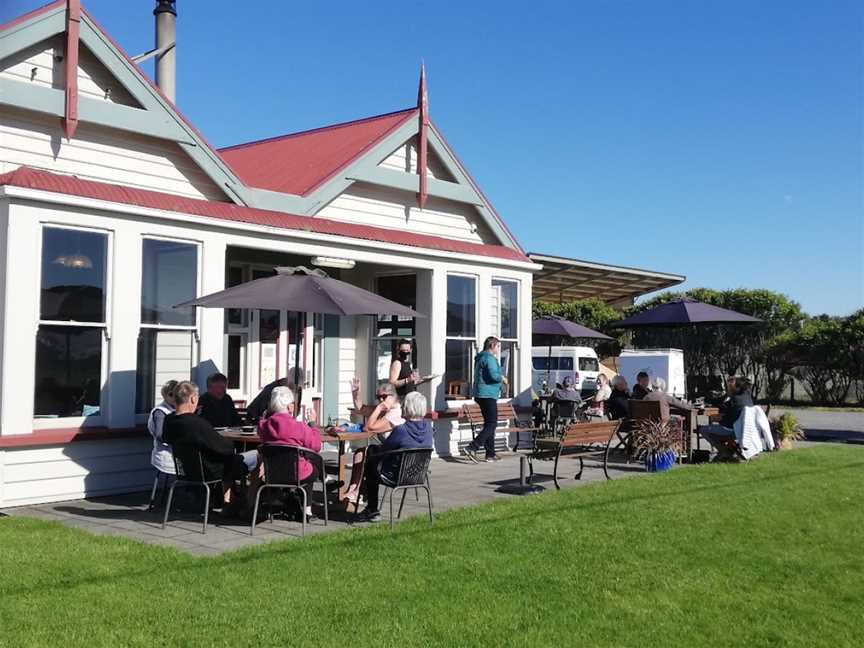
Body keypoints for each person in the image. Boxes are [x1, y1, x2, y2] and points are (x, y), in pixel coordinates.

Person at [163, 381, 257, 511]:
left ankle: (229, 501)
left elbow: (166, 439)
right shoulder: (197, 424)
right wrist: (231, 445)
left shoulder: (169, 421)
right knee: (258, 455)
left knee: (227, 459)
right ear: (193, 398)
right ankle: (251, 505)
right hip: (210, 471)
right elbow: (224, 448)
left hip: (185, 471)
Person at [356, 391, 434, 523]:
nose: (402, 407)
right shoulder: (429, 428)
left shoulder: (401, 430)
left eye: (404, 405)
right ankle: (365, 496)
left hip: (396, 475)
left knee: (371, 456)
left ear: (408, 408)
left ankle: (371, 508)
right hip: (418, 474)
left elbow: (385, 449)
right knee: (373, 455)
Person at [257, 386, 323, 521]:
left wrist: (264, 416)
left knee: (304, 460)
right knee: (312, 462)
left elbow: (261, 426)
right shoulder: (299, 427)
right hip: (297, 473)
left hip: (272, 474)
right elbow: (316, 446)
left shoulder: (264, 426)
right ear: (291, 407)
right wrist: (312, 423)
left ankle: (287, 499)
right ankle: (307, 510)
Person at [463, 336, 506, 463]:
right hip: (488, 395)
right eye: (498, 346)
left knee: (489, 424)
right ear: (492, 346)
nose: (498, 349)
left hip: (481, 394)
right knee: (492, 424)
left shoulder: (481, 357)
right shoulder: (489, 358)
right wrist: (502, 378)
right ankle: (472, 447)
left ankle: (490, 454)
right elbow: (493, 375)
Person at [699, 376, 754, 460]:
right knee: (714, 427)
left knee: (703, 429)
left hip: (733, 430)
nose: (728, 389)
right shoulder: (747, 397)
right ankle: (730, 450)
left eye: (730, 387)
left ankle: (724, 451)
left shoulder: (735, 400)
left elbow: (727, 422)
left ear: (736, 387)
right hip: (744, 431)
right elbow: (726, 407)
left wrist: (717, 418)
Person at [148, 380, 178, 476]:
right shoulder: (160, 412)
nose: (174, 397)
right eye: (171, 394)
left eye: (177, 394)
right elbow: (160, 435)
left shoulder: (179, 408)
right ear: (165, 396)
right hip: (166, 455)